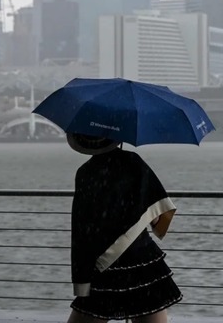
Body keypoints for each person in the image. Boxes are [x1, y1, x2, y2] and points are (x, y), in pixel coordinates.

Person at [66, 132, 182, 323]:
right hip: (140, 256)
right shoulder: (133, 162)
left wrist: (81, 276)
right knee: (150, 311)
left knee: (90, 313)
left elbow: (81, 227)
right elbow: (159, 212)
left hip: (102, 261)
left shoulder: (86, 172)